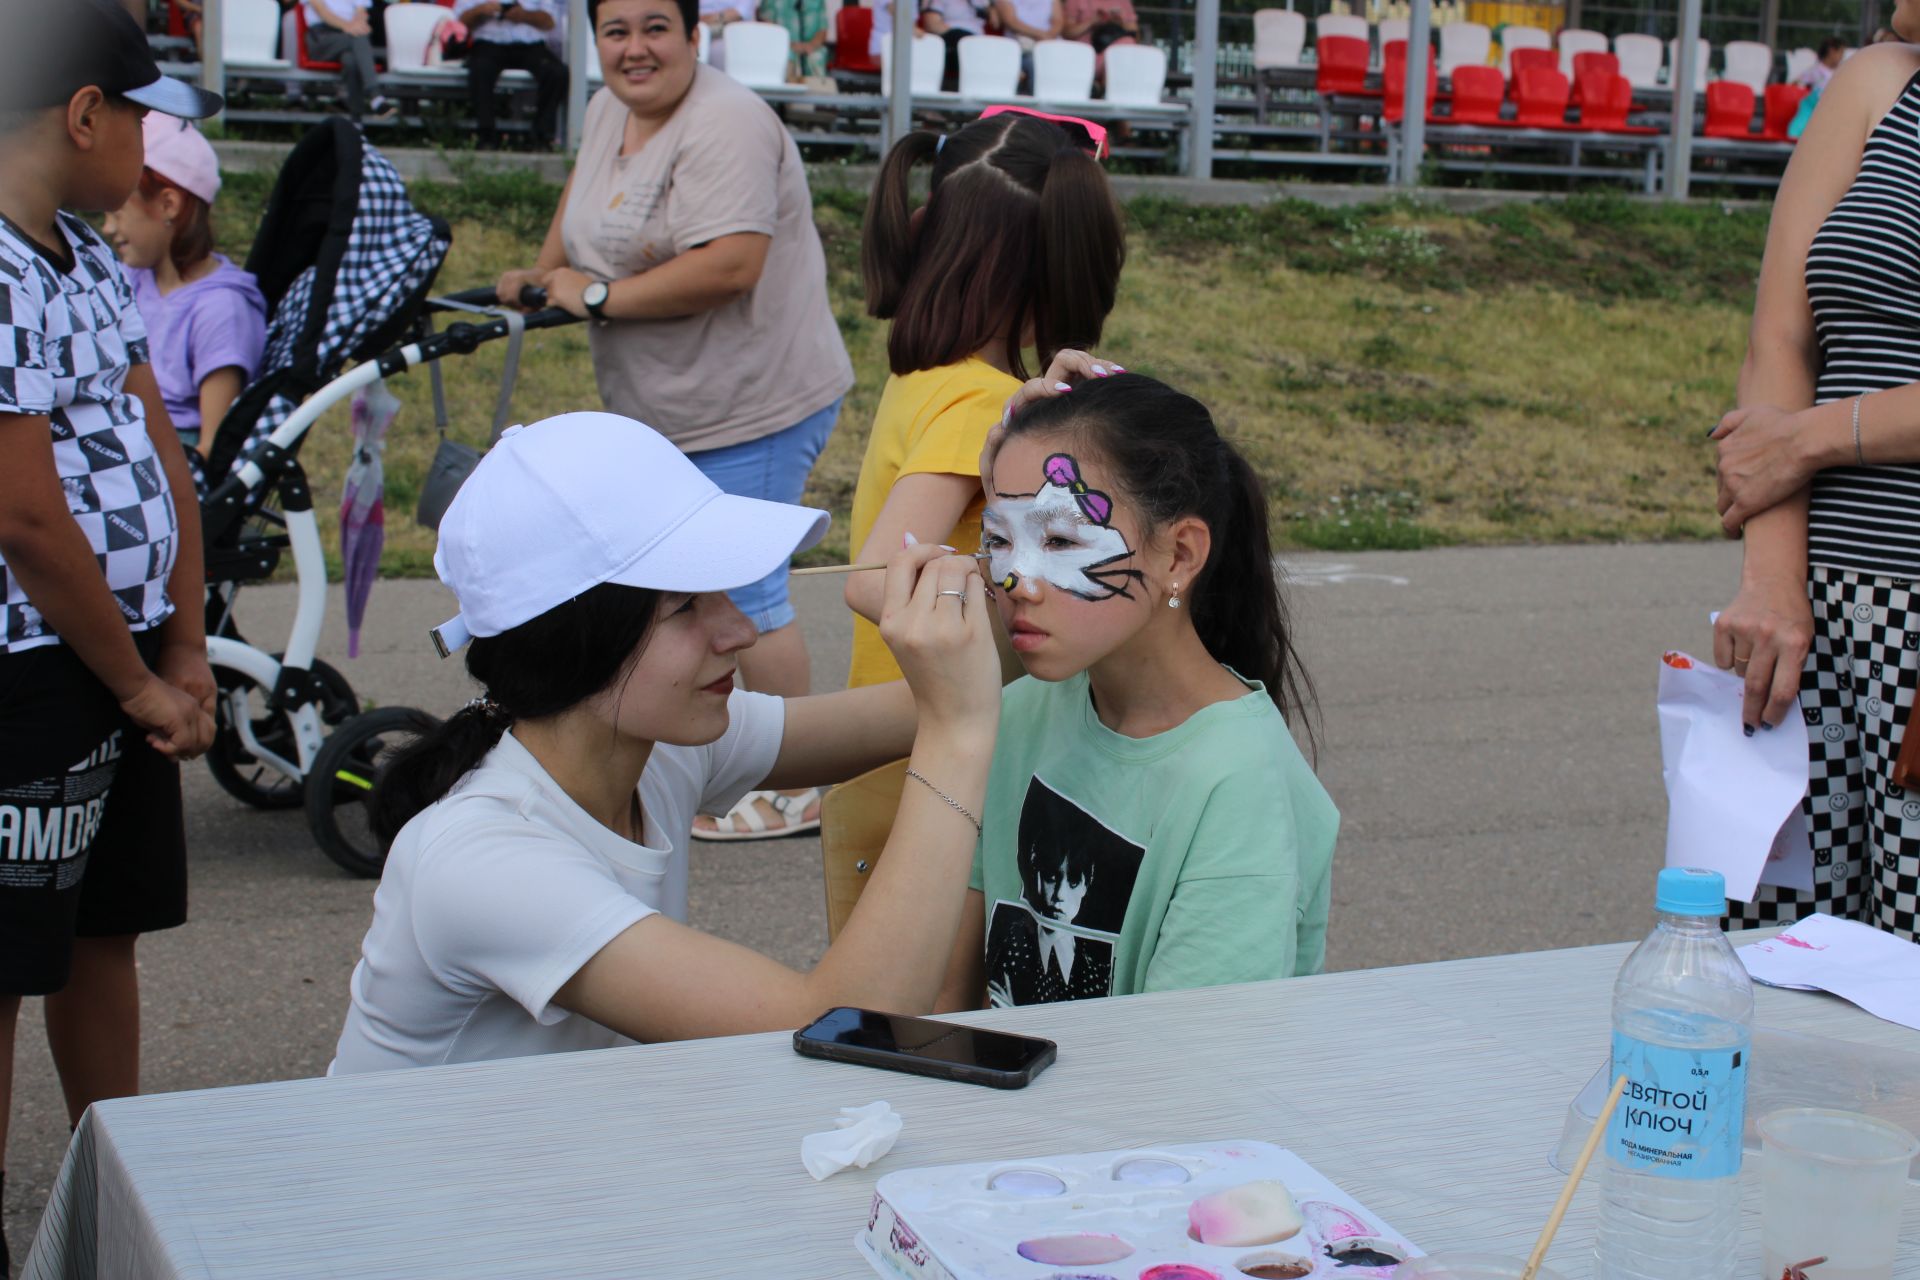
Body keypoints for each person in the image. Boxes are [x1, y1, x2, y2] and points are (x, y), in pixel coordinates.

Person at [329, 412, 999, 1072]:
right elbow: (846, 1023)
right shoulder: (485, 863)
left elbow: (923, 698)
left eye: (724, 591)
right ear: (576, 642)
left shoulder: (653, 744)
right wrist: (957, 733)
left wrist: (1031, 516)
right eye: (685, 607)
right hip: (408, 1185)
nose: (737, 630)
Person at [495, 0, 854, 841]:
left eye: (656, 27)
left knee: (747, 590)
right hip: (669, 402)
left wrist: (595, 295)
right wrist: (544, 270)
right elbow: (578, 204)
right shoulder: (606, 107)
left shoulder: (727, 122)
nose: (635, 48)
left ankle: (793, 785)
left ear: (695, 36)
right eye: (615, 30)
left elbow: (731, 262)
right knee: (695, 583)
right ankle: (718, 751)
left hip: (751, 396)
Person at [0, 2, 222, 1272]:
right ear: (84, 112)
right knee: (5, 954)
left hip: (132, 656)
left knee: (101, 926)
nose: (147, 147)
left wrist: (185, 647)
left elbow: (158, 451)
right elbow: (27, 516)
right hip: (37, 673)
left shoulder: (88, 258)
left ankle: (120, 1180)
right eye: (139, 115)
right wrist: (137, 676)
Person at [932, 369, 1339, 1010]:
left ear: (1178, 556)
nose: (1016, 579)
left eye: (1061, 538)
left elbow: (1190, 1074)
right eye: (999, 539)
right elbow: (950, 1005)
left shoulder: (1237, 782)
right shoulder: (1018, 713)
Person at [1709, 11, 1920, 942]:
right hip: (1820, 620)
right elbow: (1781, 339)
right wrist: (1771, 583)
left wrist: (1815, 439)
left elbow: (1790, 430)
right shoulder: (1881, 80)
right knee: (1776, 961)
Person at [843, 111, 1124, 691]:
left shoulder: (931, 376)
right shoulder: (982, 402)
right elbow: (874, 582)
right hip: (935, 759)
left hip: (901, 757)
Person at [104, 116, 268, 482]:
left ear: (168, 205)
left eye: (117, 211)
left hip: (162, 464)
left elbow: (211, 448)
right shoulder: (134, 280)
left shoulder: (220, 309)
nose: (108, 228)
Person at [452, 0, 570, 150]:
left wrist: (524, 15)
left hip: (530, 45)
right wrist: (480, 11)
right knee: (480, 69)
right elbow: (460, 22)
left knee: (557, 73)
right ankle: (486, 135)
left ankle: (541, 136)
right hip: (488, 44)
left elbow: (549, 21)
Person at [303, 0, 397, 121]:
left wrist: (359, 25)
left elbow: (361, 12)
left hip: (350, 37)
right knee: (359, 38)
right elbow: (322, 12)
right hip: (321, 38)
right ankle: (375, 96)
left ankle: (356, 122)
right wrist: (349, 27)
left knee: (351, 62)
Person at [918, 0, 984, 89]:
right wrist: (960, 38)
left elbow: (996, 22)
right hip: (952, 45)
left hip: (979, 47)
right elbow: (932, 24)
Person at [761, 0, 831, 79]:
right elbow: (767, 28)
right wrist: (789, 45)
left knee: (816, 57)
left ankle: (817, 89)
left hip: (810, 46)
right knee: (787, 55)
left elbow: (823, 30)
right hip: (782, 46)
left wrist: (810, 46)